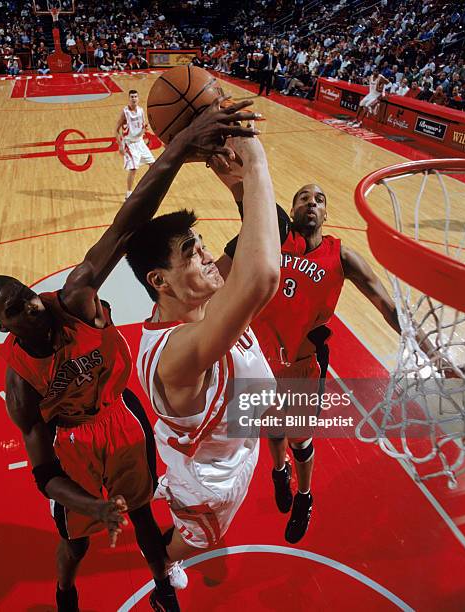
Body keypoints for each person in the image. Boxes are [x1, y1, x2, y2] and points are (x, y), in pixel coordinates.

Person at [0, 97, 258, 612]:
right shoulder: (21, 384)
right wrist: (92, 506)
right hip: (75, 445)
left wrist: (175, 149)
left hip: (122, 417)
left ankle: (163, 586)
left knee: (147, 517)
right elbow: (43, 473)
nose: (36, 304)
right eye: (20, 308)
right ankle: (66, 590)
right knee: (77, 543)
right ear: (3, 327)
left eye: (29, 292)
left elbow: (127, 222)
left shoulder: (77, 297)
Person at [216, 182, 406, 543]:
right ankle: (278, 470)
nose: (311, 203)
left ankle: (304, 496)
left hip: (302, 366)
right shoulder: (273, 241)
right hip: (258, 360)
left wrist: (424, 345)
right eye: (303, 197)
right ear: (292, 208)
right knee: (271, 430)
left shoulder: (341, 256)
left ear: (325, 214)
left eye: (319, 199)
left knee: (300, 439)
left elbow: (387, 306)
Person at [125, 133, 280, 564]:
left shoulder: (199, 300)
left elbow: (271, 229)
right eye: (193, 253)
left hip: (233, 446)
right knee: (194, 542)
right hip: (210, 483)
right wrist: (256, 160)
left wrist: (237, 183)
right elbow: (262, 275)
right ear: (159, 280)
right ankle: (159, 564)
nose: (210, 258)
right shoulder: (175, 355)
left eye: (203, 245)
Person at [116, 90, 155, 201]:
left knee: (153, 164)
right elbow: (116, 129)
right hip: (130, 144)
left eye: (135, 96)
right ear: (129, 98)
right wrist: (120, 145)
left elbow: (142, 126)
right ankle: (128, 194)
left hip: (140, 142)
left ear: (138, 98)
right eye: (132, 97)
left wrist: (144, 129)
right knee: (133, 169)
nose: (134, 98)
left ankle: (147, 188)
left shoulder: (141, 111)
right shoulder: (125, 112)